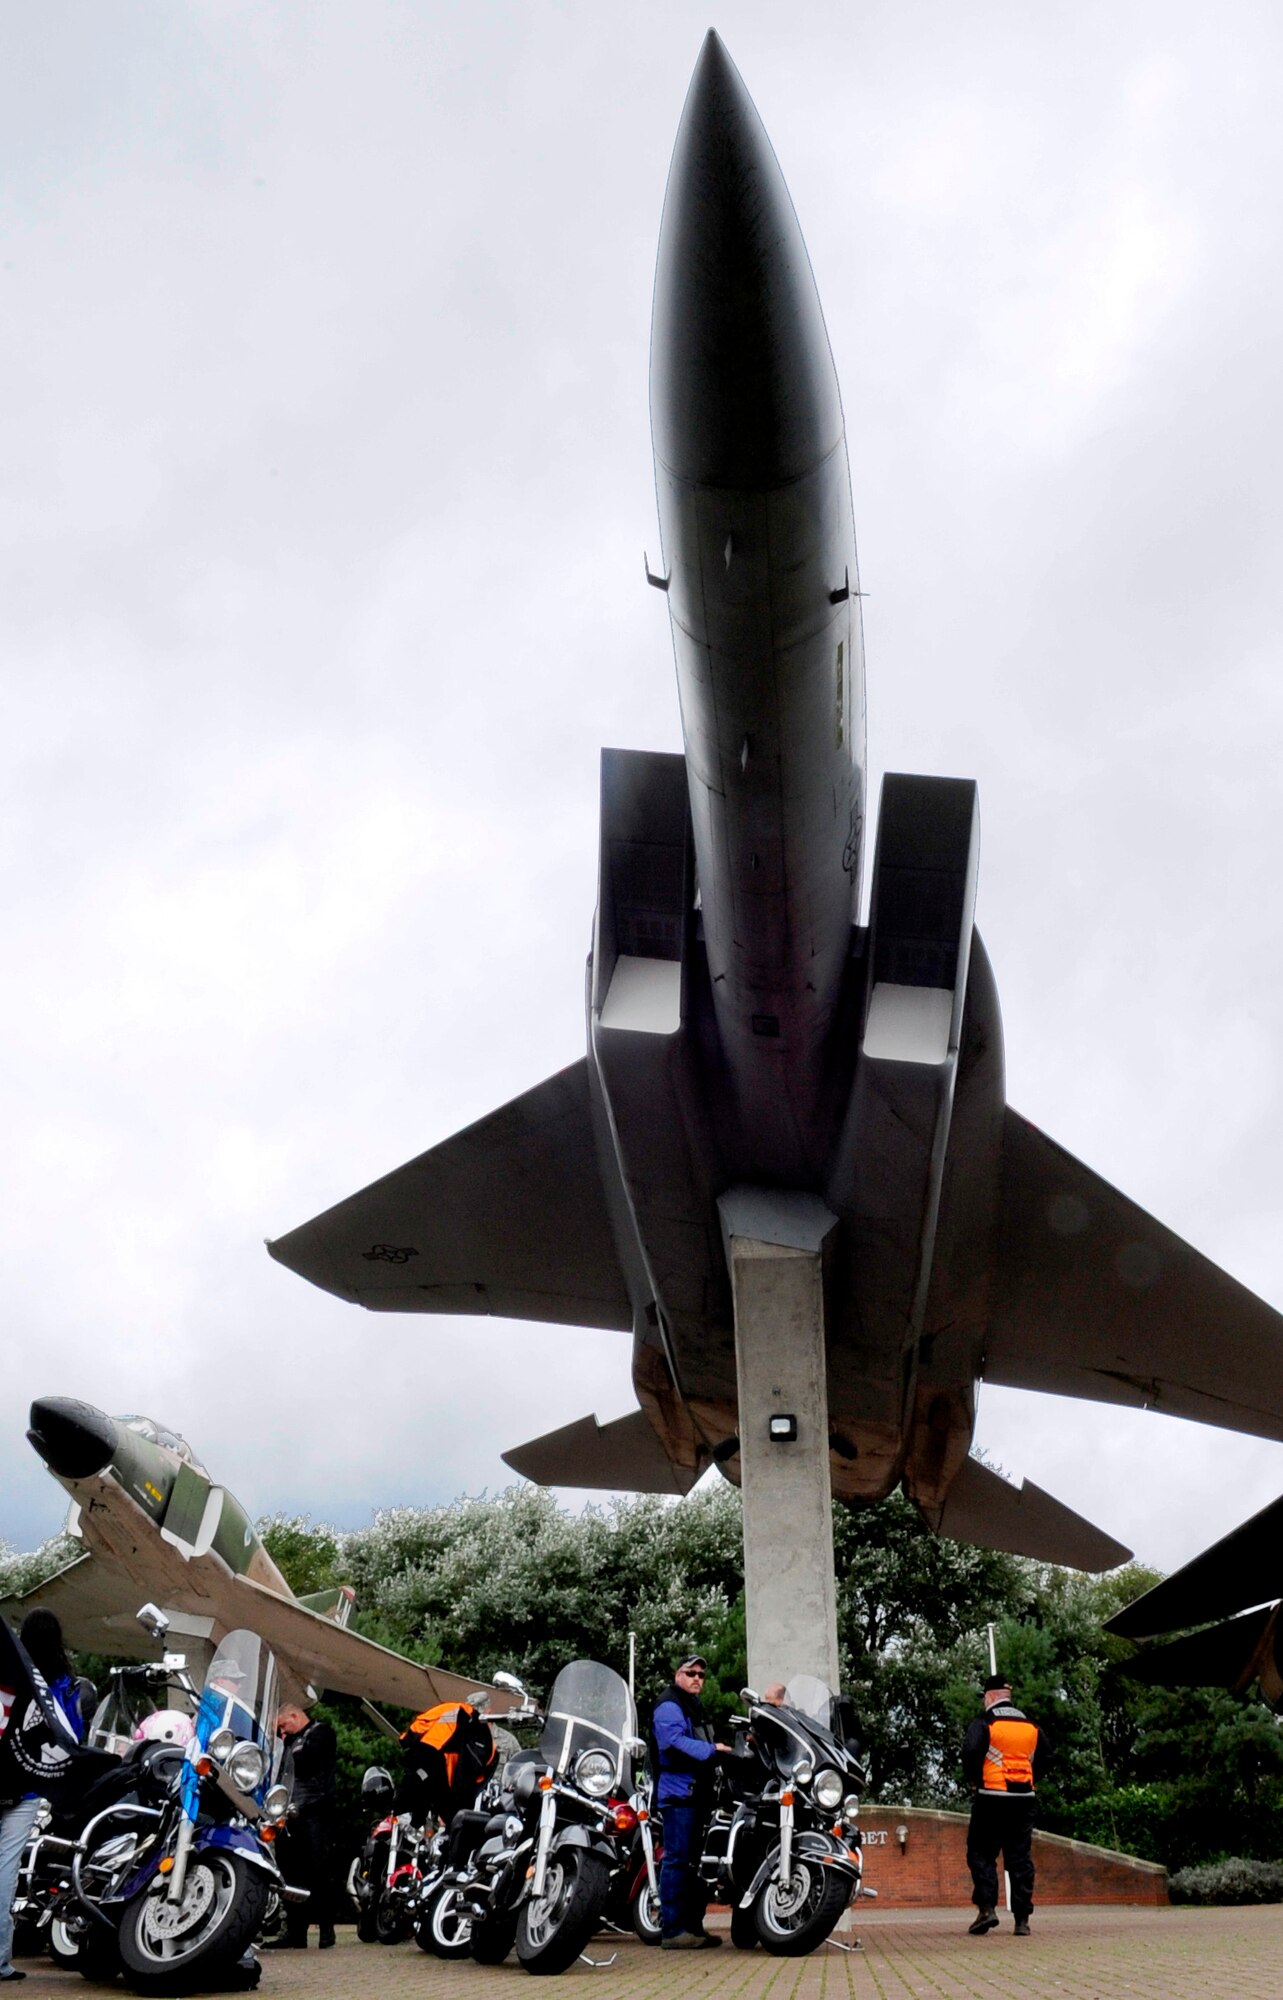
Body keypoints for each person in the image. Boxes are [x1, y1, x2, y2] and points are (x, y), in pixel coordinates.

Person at [0, 1612, 87, 1984]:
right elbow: (73, 1736)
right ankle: (0, 1962)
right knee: (5, 1873)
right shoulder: (63, 1684)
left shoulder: (7, 1673)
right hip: (30, 1787)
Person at [652, 1654, 731, 1951]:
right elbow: (672, 1741)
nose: (697, 1677)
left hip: (697, 1794)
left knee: (696, 1863)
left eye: (701, 1674)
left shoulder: (693, 1706)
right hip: (678, 1795)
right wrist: (713, 1749)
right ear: (678, 1675)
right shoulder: (669, 1704)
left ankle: (693, 1928)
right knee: (677, 1860)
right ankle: (672, 1930)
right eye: (691, 1672)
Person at [961, 1673, 1049, 1938]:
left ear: (989, 1697)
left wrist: (976, 1781)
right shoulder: (1031, 1726)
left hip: (991, 1797)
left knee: (981, 1853)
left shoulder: (984, 1722)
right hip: (1024, 1800)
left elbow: (970, 1753)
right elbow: (1047, 1756)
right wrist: (1031, 1778)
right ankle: (1022, 1920)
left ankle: (987, 1909)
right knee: (1020, 1858)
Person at [268, 1704, 337, 1950]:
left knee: (317, 1870)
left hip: (314, 1811)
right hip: (289, 1814)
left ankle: (326, 1929)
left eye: (283, 1726)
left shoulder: (320, 1733)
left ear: (295, 1716)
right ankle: (296, 1932)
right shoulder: (290, 1741)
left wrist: (288, 1743)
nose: (282, 1732)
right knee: (288, 1872)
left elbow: (308, 1763)